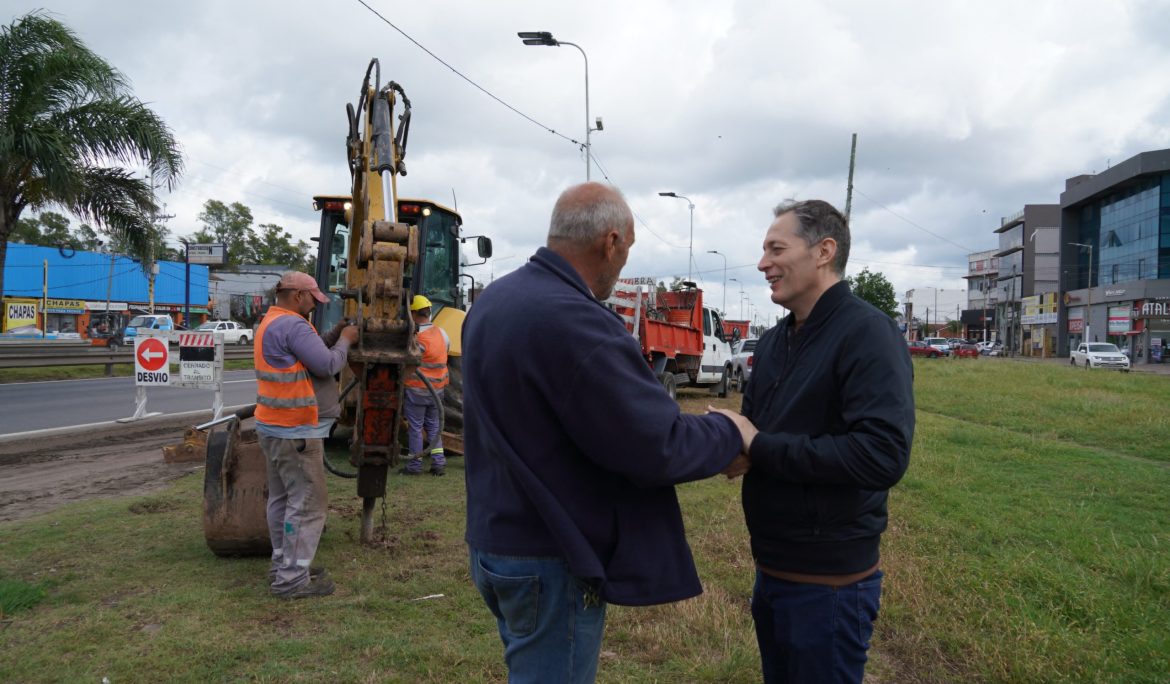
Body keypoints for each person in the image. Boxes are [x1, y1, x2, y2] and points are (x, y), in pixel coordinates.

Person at [462, 182, 748, 683]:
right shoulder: (576, 321)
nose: (623, 262)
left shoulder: (494, 301)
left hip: (494, 541)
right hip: (549, 554)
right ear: (610, 242)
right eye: (629, 248)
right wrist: (729, 430)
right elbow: (654, 444)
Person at [711, 199, 914, 684]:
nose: (762, 264)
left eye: (776, 248)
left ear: (824, 251)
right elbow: (755, 428)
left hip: (830, 589)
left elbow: (881, 455)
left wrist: (758, 447)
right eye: (763, 251)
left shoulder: (869, 334)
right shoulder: (776, 340)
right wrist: (731, 449)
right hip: (772, 573)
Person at [254, 271, 358, 600]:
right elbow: (327, 365)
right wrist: (347, 341)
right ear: (298, 295)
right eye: (313, 298)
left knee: (282, 498)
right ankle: (292, 580)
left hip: (273, 426)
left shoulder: (272, 321)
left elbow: (309, 353)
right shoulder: (294, 325)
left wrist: (335, 332)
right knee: (308, 502)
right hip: (296, 429)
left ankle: (284, 565)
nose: (314, 304)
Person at [400, 294, 449, 476]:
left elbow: (409, 360)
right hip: (438, 391)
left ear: (413, 313)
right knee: (434, 427)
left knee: (416, 427)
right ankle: (438, 464)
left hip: (418, 390)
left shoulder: (418, 338)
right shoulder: (442, 334)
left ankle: (414, 466)